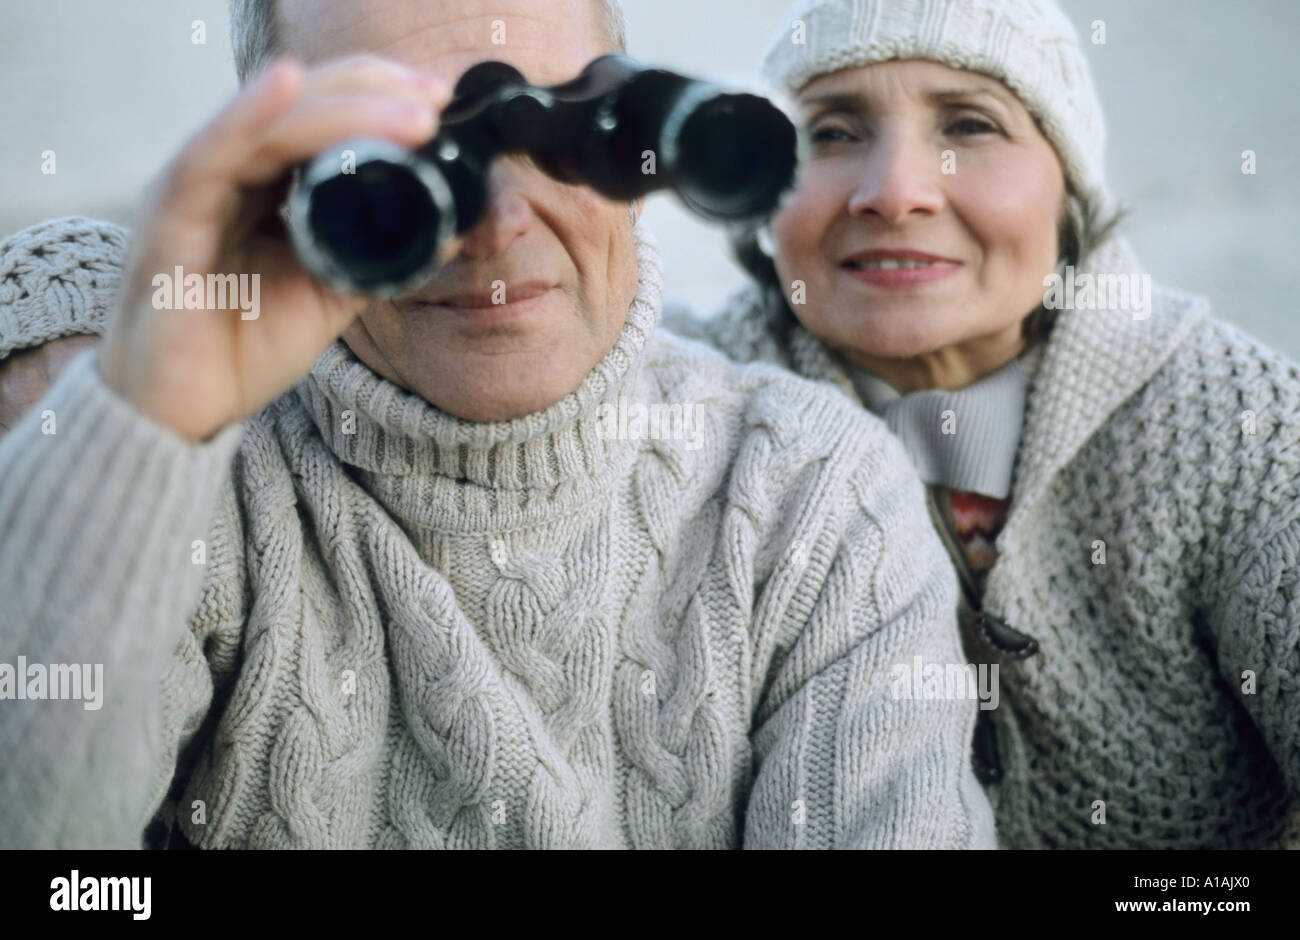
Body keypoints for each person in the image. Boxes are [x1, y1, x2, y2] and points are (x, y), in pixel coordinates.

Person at [0, 0, 995, 849]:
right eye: (402, 153)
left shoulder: (813, 497)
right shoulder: (182, 482)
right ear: (278, 180)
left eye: (566, 134)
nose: (495, 223)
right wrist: (146, 420)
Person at [664, 0, 1300, 848]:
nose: (893, 193)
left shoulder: (1240, 423)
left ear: (1069, 185)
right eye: (831, 132)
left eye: (969, 124)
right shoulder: (679, 419)